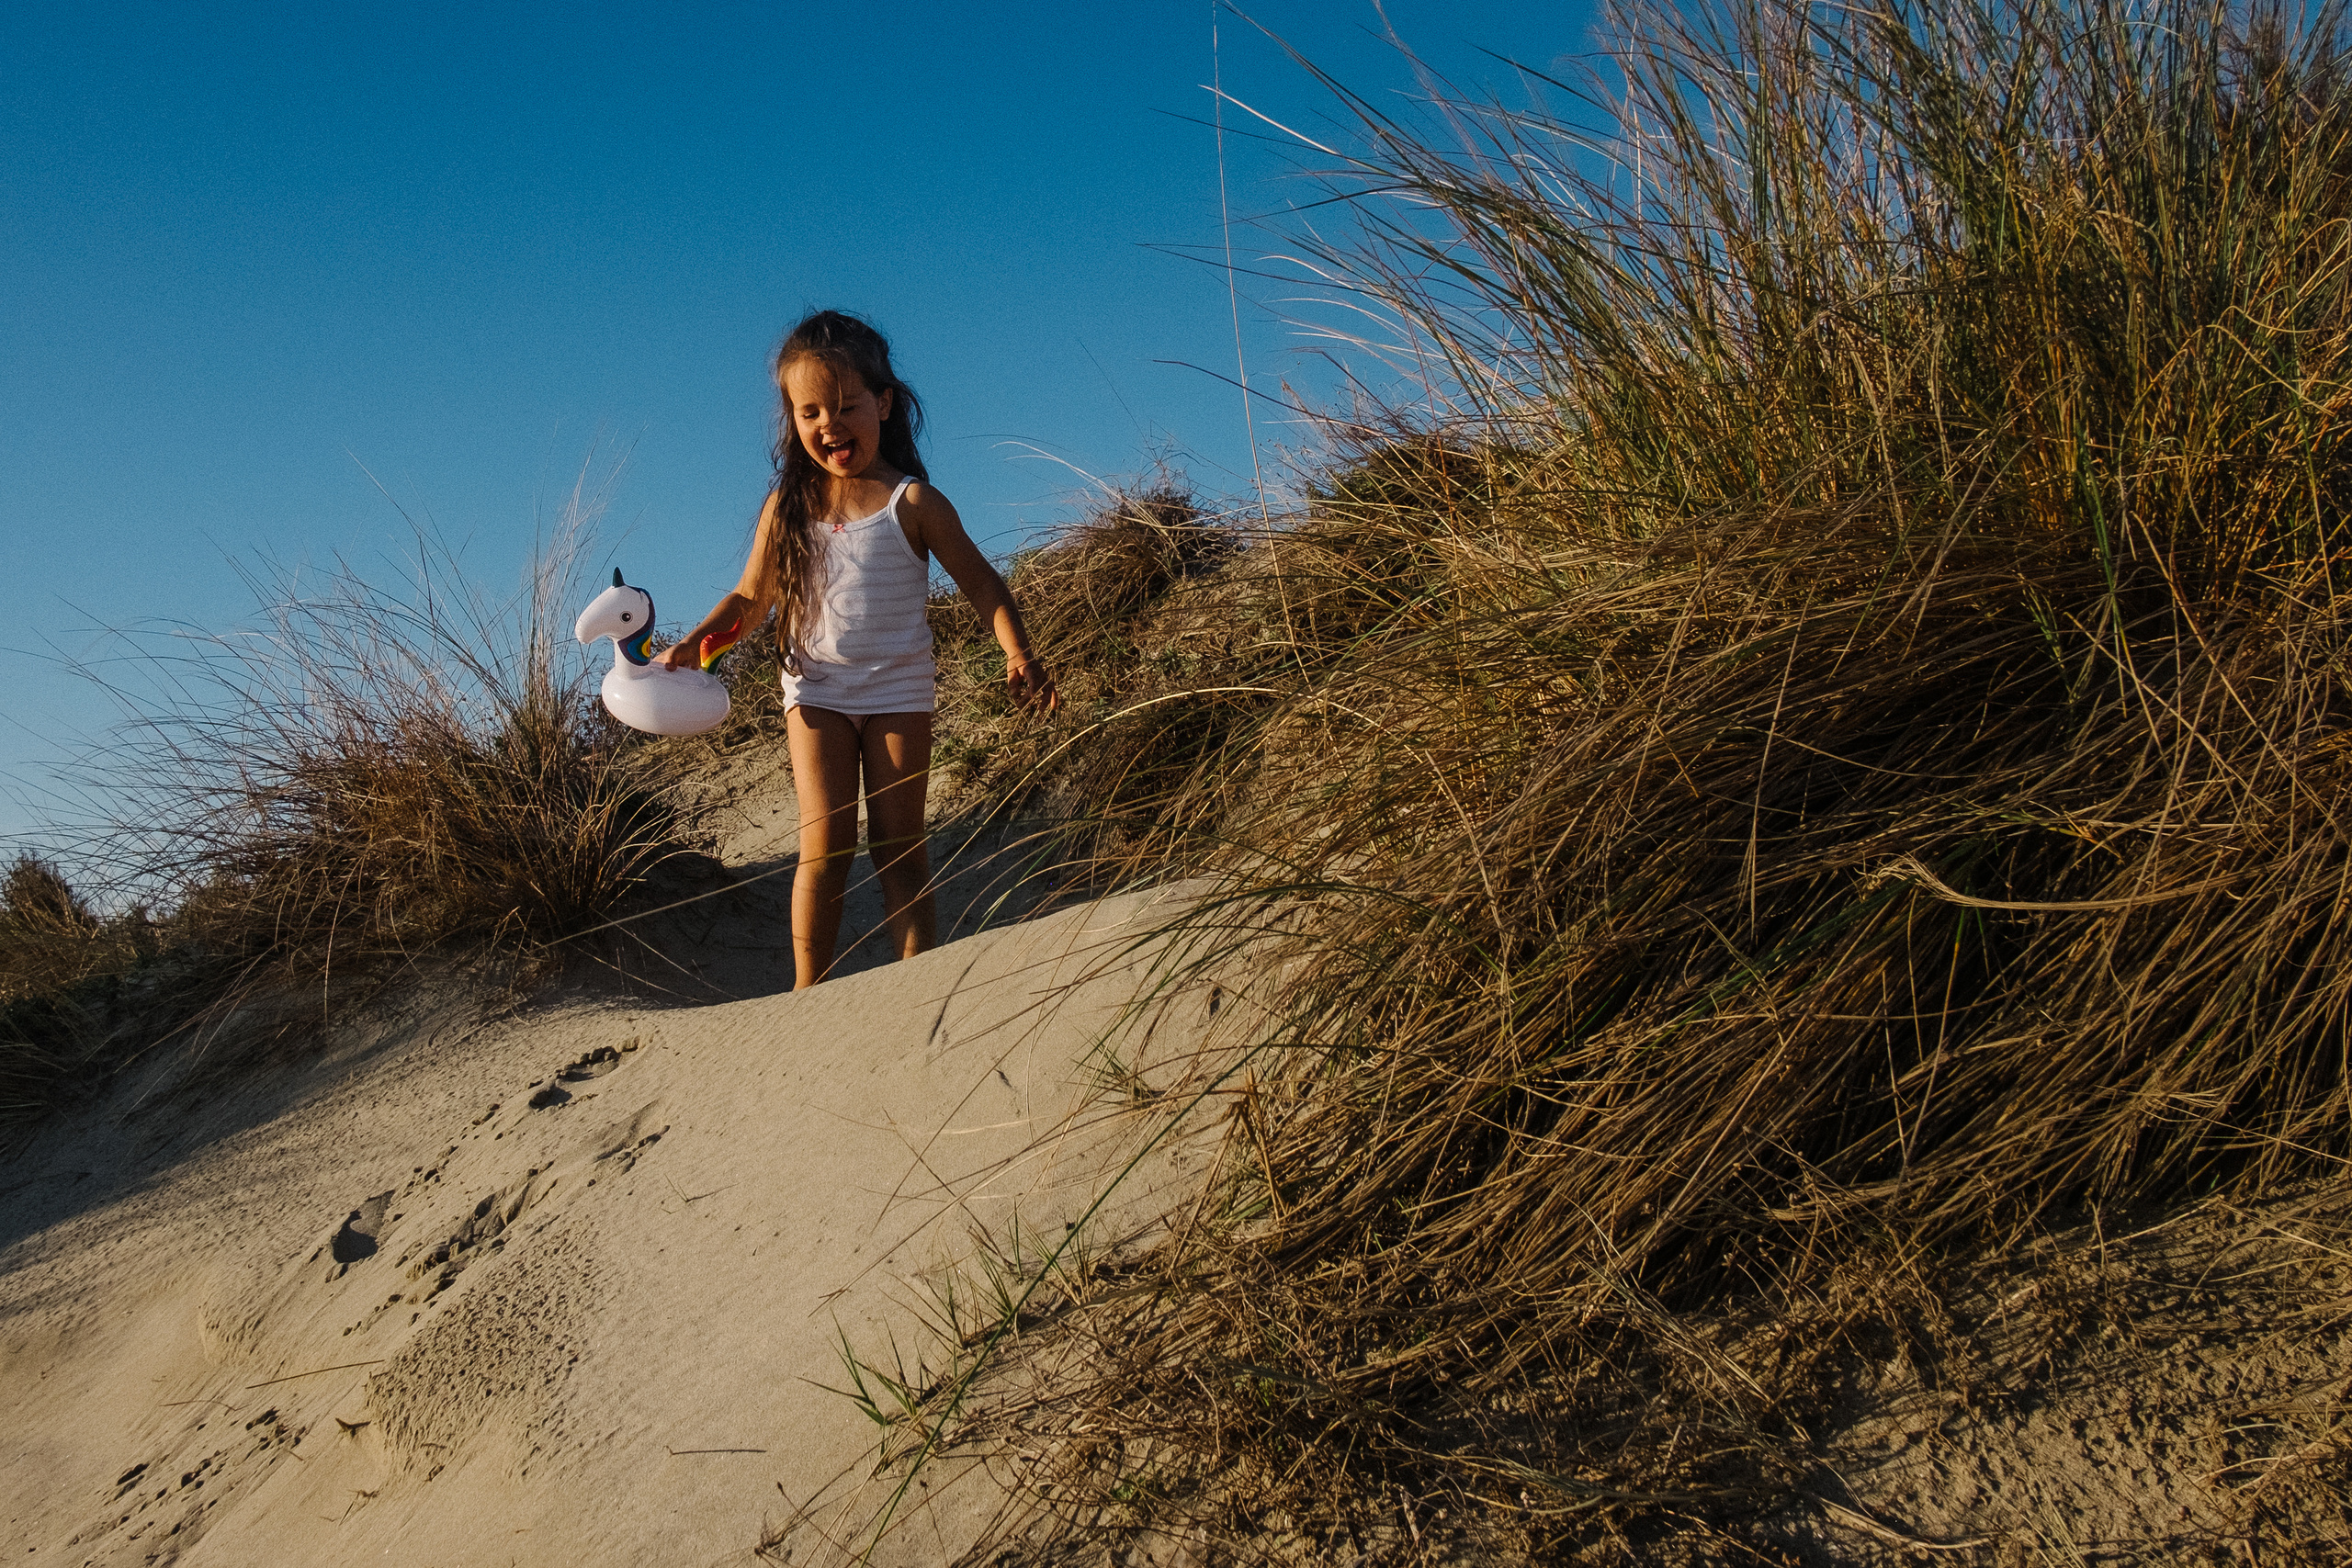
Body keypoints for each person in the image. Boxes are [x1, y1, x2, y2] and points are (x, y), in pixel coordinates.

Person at [662, 310, 1056, 988]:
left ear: (884, 402)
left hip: (900, 692)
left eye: (846, 406)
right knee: (825, 847)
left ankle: (916, 981)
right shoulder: (786, 506)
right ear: (793, 418)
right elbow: (752, 600)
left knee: (900, 847)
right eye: (810, 410)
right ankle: (807, 989)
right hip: (814, 693)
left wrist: (1018, 652)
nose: (828, 424)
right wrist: (699, 640)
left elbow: (982, 582)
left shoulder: (914, 501)